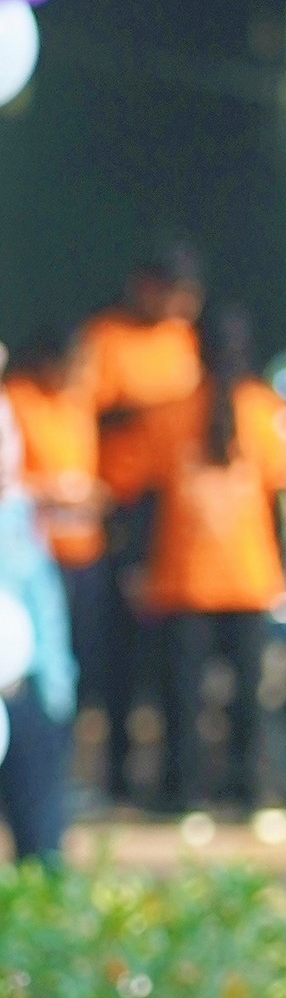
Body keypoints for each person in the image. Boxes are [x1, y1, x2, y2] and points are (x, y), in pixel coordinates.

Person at [103, 305, 286, 816]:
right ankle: (248, 791)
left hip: (183, 575)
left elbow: (144, 501)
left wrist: (137, 565)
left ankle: (184, 792)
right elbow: (279, 500)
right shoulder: (267, 411)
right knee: (248, 694)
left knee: (182, 695)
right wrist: (285, 569)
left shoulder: (169, 414)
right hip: (250, 575)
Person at [76, 243, 205, 802]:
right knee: (120, 645)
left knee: (173, 645)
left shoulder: (182, 340)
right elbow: (87, 413)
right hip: (123, 505)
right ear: (144, 285)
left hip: (173, 504)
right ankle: (118, 773)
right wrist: (146, 414)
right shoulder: (106, 339)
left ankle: (175, 777)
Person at [5, 327, 109, 755]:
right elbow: (9, 482)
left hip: (83, 551)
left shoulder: (79, 403)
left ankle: (62, 757)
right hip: (30, 553)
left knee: (74, 665)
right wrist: (50, 491)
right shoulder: (17, 399)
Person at [0, 348, 78, 860]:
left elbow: (44, 605)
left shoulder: (18, 514)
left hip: (25, 693)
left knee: (41, 851)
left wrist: (56, 690)